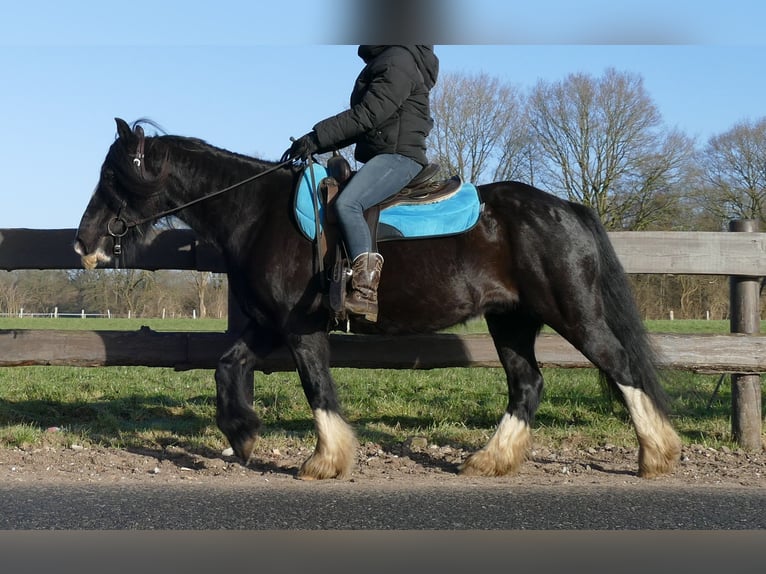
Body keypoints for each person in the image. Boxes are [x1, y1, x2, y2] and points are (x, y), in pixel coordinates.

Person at [283, 45, 439, 323]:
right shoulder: (394, 57)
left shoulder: (398, 59)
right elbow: (366, 120)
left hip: (399, 157)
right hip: (387, 154)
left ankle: (366, 291)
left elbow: (369, 114)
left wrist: (317, 138)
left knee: (348, 203)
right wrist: (319, 141)